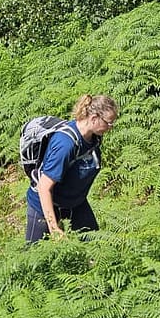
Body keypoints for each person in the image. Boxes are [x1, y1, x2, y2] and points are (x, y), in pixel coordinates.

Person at [27, 94, 120, 243]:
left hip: (75, 203)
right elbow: (44, 187)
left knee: (95, 247)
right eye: (109, 123)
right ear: (94, 118)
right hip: (44, 204)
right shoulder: (65, 145)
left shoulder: (94, 138)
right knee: (35, 255)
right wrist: (54, 228)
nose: (111, 127)